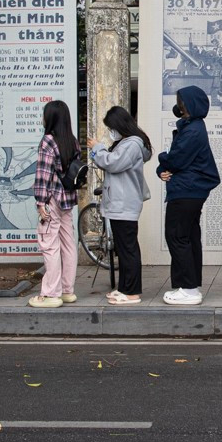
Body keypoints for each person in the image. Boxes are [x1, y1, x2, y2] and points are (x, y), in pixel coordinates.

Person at [158, 87, 219, 307]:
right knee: (189, 236)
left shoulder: (193, 129)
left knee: (177, 236)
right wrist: (163, 169)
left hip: (186, 190)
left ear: (189, 104)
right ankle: (189, 286)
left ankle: (189, 289)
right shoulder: (193, 127)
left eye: (181, 101)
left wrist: (162, 159)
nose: (179, 105)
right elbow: (176, 162)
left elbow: (176, 159)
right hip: (190, 189)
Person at [90, 105, 152, 305]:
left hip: (124, 203)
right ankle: (124, 288)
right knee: (124, 249)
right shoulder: (127, 142)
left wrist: (97, 148)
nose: (110, 132)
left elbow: (113, 163)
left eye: (110, 127)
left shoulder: (132, 144)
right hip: (119, 203)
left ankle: (132, 292)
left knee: (128, 249)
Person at [27, 100, 81, 310]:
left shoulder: (48, 141)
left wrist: (40, 202)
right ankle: (67, 290)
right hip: (67, 199)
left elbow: (43, 174)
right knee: (68, 243)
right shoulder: (72, 141)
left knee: (49, 245)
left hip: (52, 199)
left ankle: (50, 293)